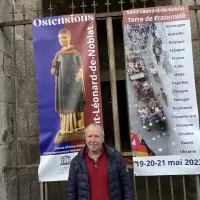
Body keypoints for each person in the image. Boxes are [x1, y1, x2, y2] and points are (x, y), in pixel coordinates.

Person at [67, 123, 134, 200]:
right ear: (86, 138)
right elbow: (71, 193)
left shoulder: (115, 157)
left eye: (96, 136)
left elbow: (126, 187)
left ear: (102, 139)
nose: (92, 140)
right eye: (89, 136)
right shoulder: (76, 162)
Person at [51, 28, 85, 134]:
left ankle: (77, 126)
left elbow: (81, 68)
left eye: (64, 38)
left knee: (75, 104)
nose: (62, 40)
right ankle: (65, 127)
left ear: (69, 38)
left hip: (73, 84)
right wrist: (53, 70)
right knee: (64, 105)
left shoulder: (76, 53)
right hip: (62, 85)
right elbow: (54, 68)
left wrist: (79, 74)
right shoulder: (58, 54)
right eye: (60, 38)